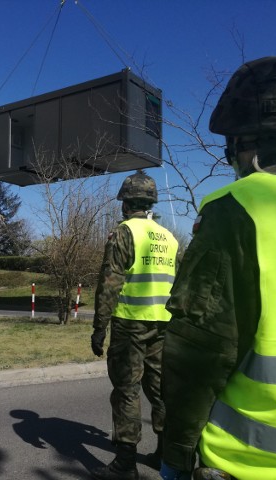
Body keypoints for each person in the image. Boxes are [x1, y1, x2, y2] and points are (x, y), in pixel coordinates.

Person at [159, 56, 276, 480]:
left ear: (243, 144)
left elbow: (200, 352)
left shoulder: (234, 211)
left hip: (249, 461)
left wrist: (176, 452)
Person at [90, 170, 179, 480]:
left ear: (125, 204)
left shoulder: (124, 232)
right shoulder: (167, 236)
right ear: (150, 203)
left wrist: (99, 326)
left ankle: (125, 464)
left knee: (127, 390)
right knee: (160, 390)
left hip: (131, 324)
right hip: (163, 325)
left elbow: (110, 282)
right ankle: (165, 453)